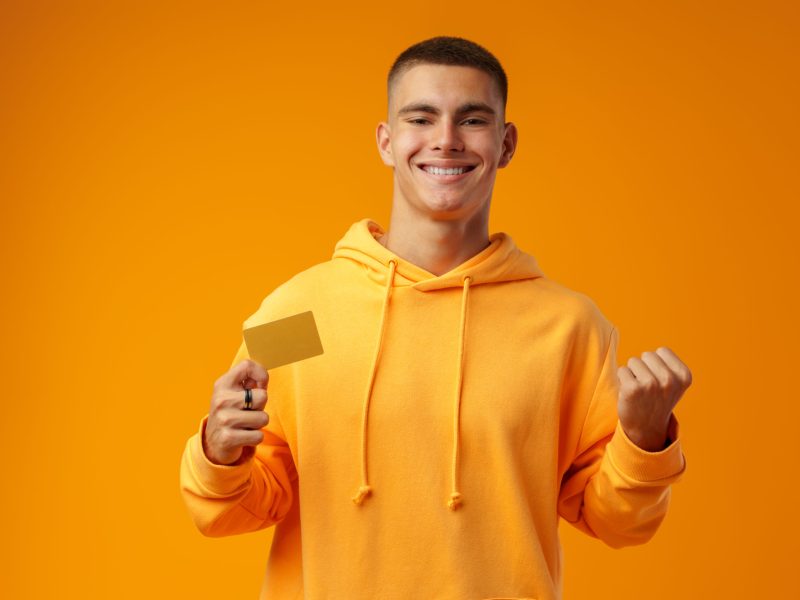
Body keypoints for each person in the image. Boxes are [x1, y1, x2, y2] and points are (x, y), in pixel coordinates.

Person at [180, 36, 692, 600]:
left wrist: (644, 440)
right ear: (387, 141)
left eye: (472, 120)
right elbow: (229, 510)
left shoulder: (569, 329)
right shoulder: (298, 315)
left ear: (506, 143)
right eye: (421, 118)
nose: (446, 140)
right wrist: (219, 454)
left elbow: (617, 523)